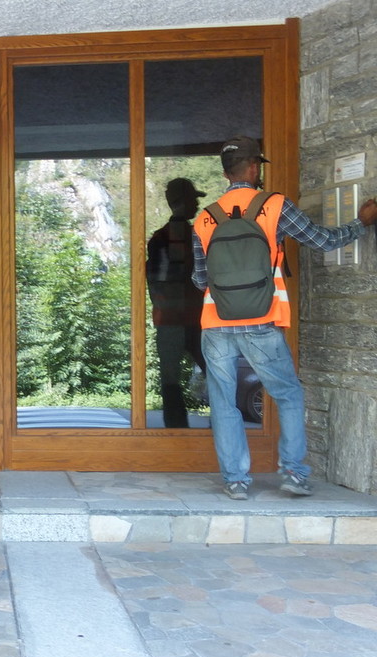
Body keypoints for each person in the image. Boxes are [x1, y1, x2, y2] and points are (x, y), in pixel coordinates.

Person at [192, 136, 377, 500]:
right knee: (288, 395)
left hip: (216, 324)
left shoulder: (205, 218)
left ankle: (236, 480)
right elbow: (322, 240)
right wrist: (361, 223)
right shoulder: (275, 205)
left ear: (226, 173)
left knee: (224, 402)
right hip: (261, 320)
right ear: (253, 168)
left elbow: (200, 279)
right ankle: (292, 473)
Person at [147, 178, 208, 428]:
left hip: (170, 320)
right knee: (217, 373)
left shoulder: (159, 239)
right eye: (194, 199)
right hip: (198, 319)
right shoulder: (198, 237)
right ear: (182, 202)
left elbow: (154, 283)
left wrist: (164, 307)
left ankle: (176, 431)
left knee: (170, 379)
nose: (197, 204)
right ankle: (221, 427)